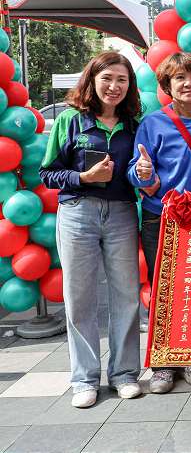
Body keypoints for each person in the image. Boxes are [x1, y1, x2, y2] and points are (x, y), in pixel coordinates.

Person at [39, 52, 143, 408]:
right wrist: (82, 177)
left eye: (121, 80)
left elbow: (139, 169)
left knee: (126, 295)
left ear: (129, 86)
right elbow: (48, 172)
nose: (114, 87)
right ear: (92, 80)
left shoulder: (133, 124)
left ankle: (124, 373)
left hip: (122, 213)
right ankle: (84, 379)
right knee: (80, 297)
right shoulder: (69, 120)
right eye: (107, 79)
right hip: (77, 213)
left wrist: (143, 173)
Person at [127, 52, 191, 394]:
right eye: (179, 78)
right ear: (167, 86)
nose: (188, 83)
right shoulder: (153, 123)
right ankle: (163, 363)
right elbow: (135, 170)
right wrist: (142, 172)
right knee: (163, 287)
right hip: (160, 215)